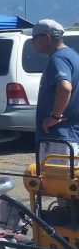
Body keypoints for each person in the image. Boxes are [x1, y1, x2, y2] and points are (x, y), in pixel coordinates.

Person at [33, 19, 79, 156]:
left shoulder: (58, 59)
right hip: (71, 134)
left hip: (58, 137)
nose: (33, 42)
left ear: (47, 37)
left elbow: (65, 87)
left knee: (53, 177)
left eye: (35, 38)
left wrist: (54, 116)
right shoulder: (73, 56)